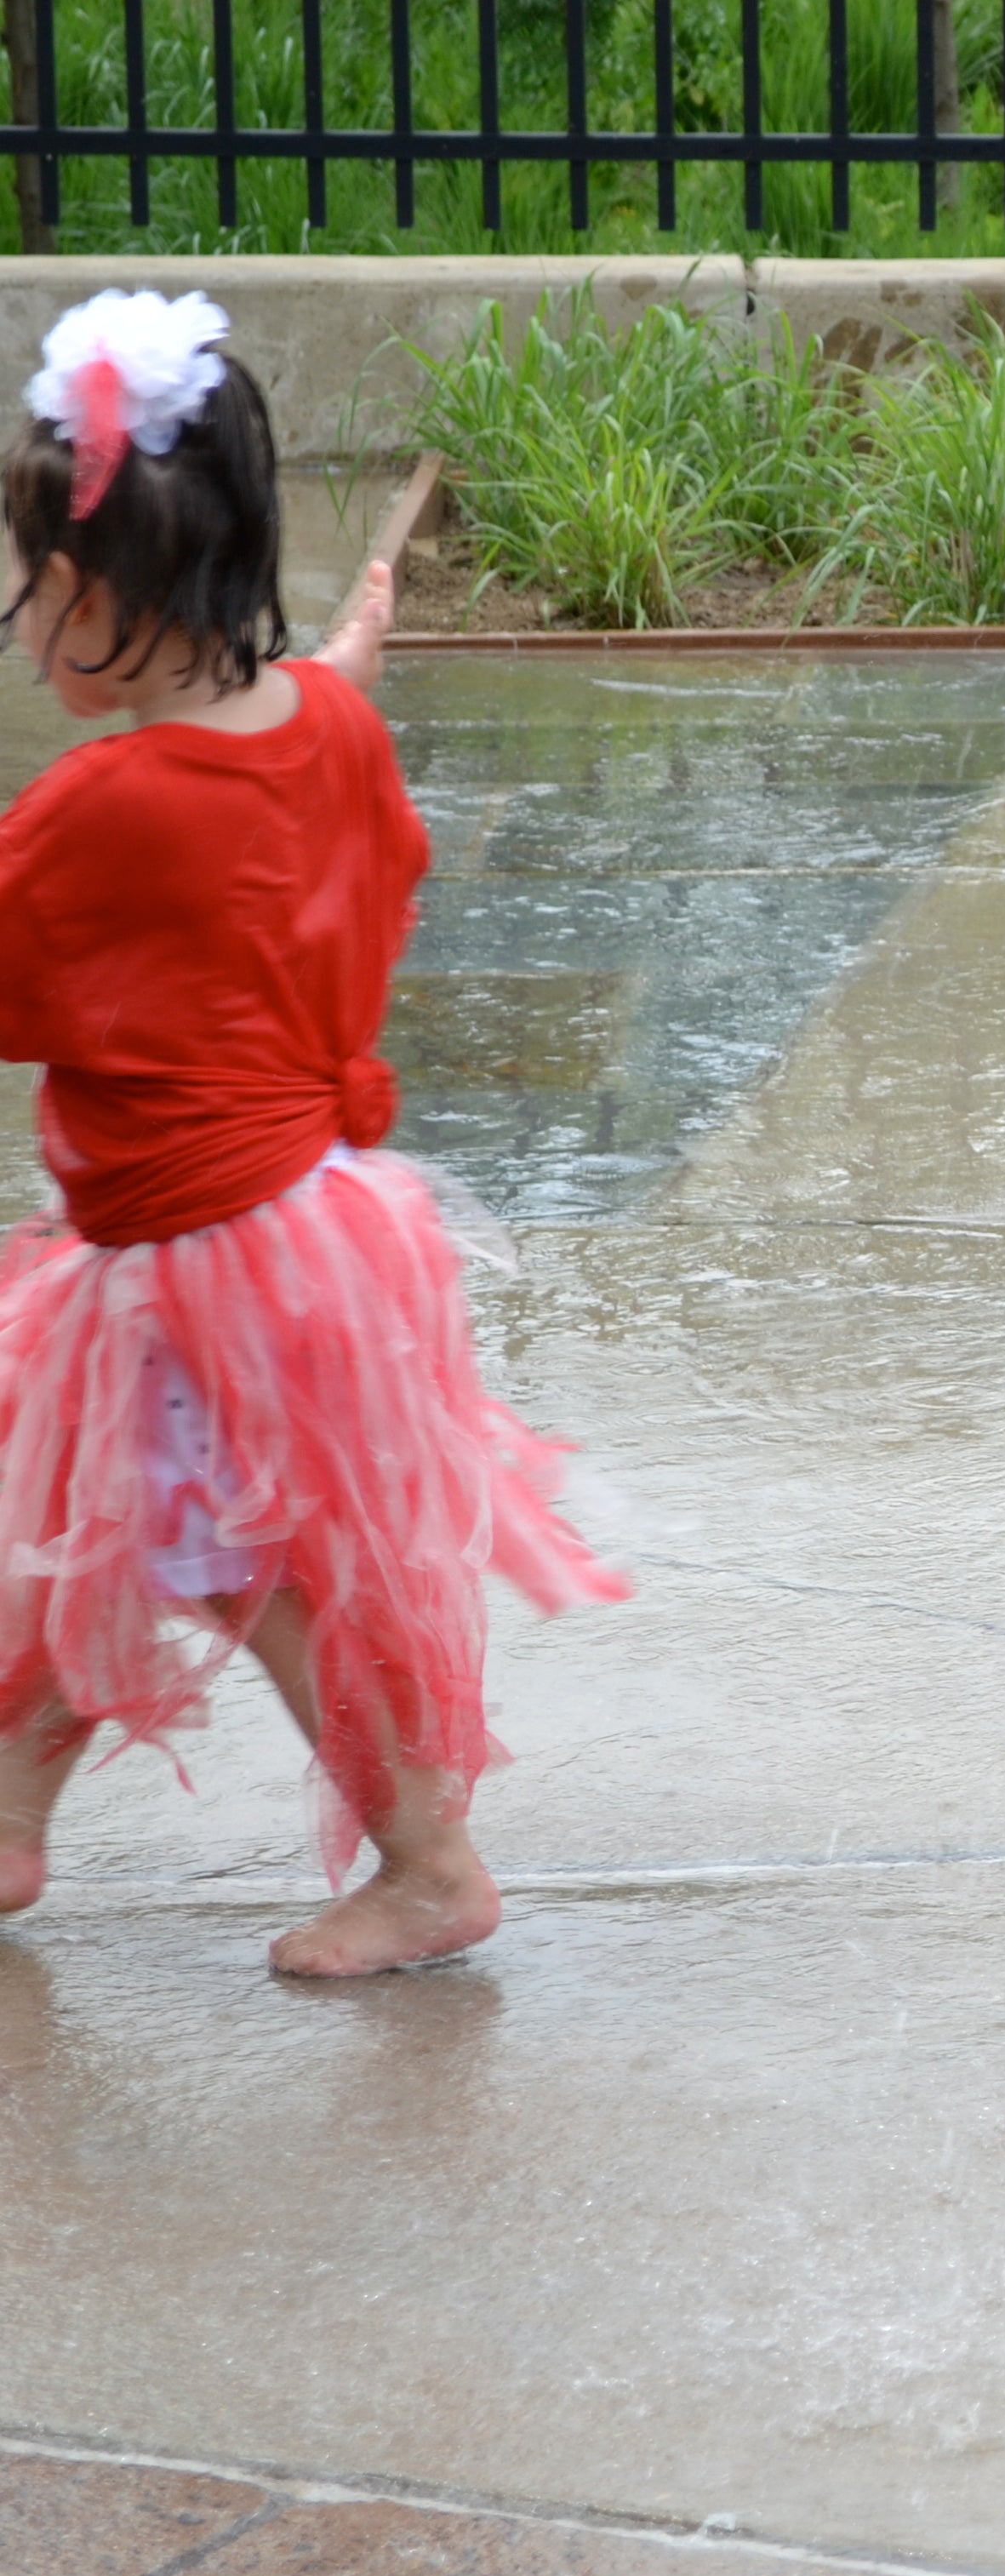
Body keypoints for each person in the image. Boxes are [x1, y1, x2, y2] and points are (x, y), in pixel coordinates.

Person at [0, 293, 625, 1978]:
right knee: (98, 1504)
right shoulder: (318, 726)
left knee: (239, 1558)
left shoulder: (97, 812)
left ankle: (430, 1861)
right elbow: (310, 798)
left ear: (104, 606)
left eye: (36, 597)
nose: (27, 630)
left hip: (218, 1252)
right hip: (290, 1220)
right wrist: (346, 663)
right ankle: (7, 1811)